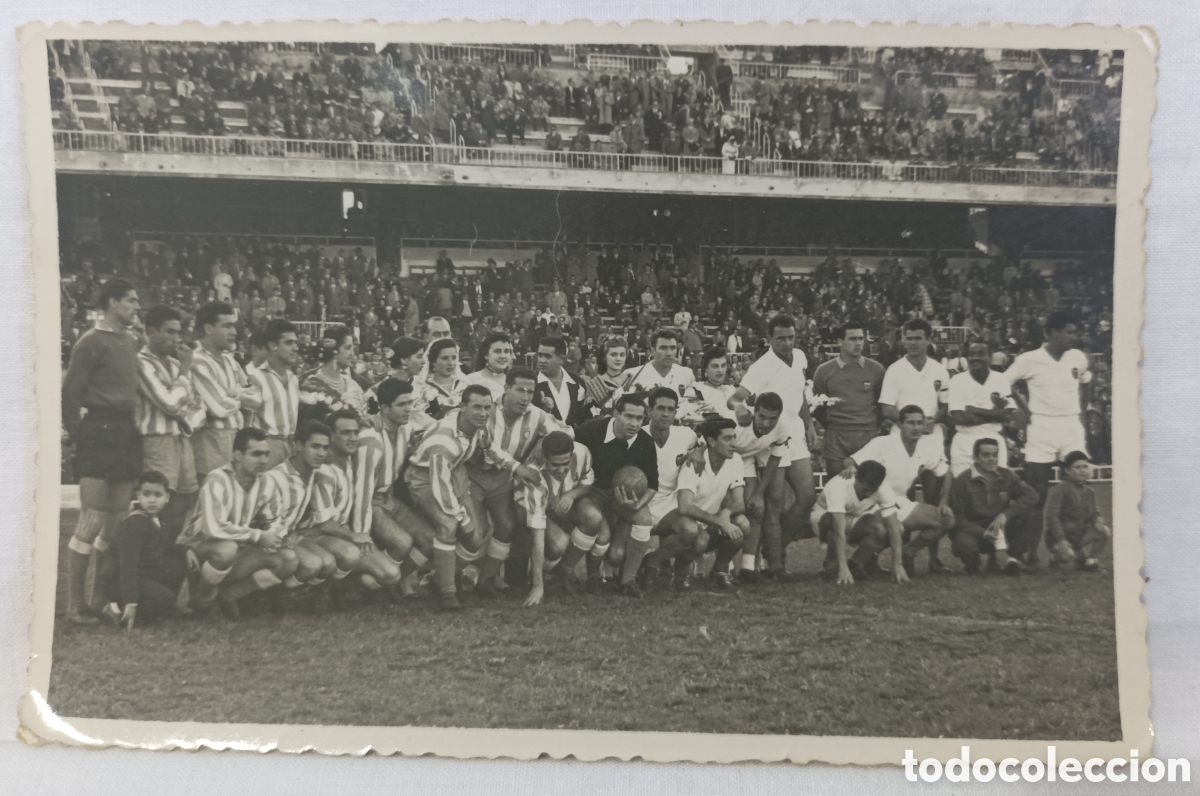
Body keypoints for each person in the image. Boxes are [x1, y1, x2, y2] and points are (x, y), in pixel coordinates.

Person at [61, 277, 142, 624]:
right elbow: (70, 393)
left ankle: (99, 599)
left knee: (115, 523)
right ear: (112, 303)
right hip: (98, 430)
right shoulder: (90, 342)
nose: (137, 306)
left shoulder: (130, 340)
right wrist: (79, 435)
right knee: (91, 519)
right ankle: (75, 605)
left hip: (126, 431)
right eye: (131, 300)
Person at [728, 314, 818, 577]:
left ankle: (772, 549)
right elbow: (734, 398)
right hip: (771, 436)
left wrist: (809, 423)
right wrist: (740, 408)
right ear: (769, 339)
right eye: (781, 338)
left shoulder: (799, 357)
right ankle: (774, 563)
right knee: (775, 502)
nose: (788, 343)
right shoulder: (762, 366)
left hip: (796, 434)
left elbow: (799, 394)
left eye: (791, 337)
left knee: (807, 497)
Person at [176, 427, 299, 615]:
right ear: (238, 456)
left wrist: (274, 537)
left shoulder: (266, 482)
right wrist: (258, 536)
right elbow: (214, 528)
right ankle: (202, 599)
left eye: (266, 454)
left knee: (288, 559)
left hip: (240, 544)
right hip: (201, 547)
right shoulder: (217, 479)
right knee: (226, 550)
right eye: (256, 454)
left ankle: (231, 595)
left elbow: (276, 519)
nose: (263, 460)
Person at [1004, 310, 1091, 568]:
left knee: (1076, 491)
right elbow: (1004, 382)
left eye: (1075, 332)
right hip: (1041, 426)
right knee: (1036, 494)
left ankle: (1067, 552)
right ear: (1052, 333)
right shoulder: (1028, 359)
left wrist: (1083, 410)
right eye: (1069, 332)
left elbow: (1087, 379)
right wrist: (1024, 408)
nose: (1074, 337)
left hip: (1071, 426)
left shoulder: (1077, 357)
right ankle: (1028, 553)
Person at [464, 367, 558, 597]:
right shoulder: (486, 408)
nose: (525, 397)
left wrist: (541, 449)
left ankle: (486, 579)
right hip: (471, 473)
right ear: (506, 389)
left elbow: (562, 435)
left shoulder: (537, 415)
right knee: (476, 528)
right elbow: (482, 444)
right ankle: (456, 575)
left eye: (530, 392)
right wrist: (518, 467)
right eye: (520, 390)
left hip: (502, 477)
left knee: (506, 525)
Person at [405, 385, 498, 611]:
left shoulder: (479, 428)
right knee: (449, 525)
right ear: (462, 407)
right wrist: (462, 519)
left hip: (455, 473)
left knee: (476, 536)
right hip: (424, 478)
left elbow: (491, 450)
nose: (483, 413)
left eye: (487, 408)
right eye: (477, 407)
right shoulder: (443, 441)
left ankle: (439, 580)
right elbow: (440, 488)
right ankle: (447, 594)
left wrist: (515, 467)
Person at [843, 405, 956, 577]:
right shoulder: (883, 443)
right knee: (890, 529)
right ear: (900, 424)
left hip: (899, 502)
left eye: (919, 423)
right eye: (911, 423)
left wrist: (943, 501)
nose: (916, 427)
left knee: (946, 520)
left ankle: (908, 553)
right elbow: (849, 461)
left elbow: (947, 473)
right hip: (871, 503)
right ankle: (856, 562)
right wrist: (850, 468)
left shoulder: (926, 447)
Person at [262, 420, 358, 616]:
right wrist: (284, 536)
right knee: (313, 563)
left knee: (328, 562)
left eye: (325, 448)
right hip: (267, 541)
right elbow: (264, 521)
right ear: (298, 445)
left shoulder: (314, 473)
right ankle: (264, 594)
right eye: (315, 447)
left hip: (293, 536)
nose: (321, 453)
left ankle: (292, 593)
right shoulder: (275, 477)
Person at [308, 409, 404, 602]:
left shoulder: (349, 461)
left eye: (355, 432)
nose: (353, 438)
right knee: (350, 553)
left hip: (341, 532)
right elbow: (325, 524)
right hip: (316, 534)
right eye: (345, 433)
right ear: (331, 436)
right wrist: (355, 536)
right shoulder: (324, 470)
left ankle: (339, 587)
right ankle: (317, 591)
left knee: (391, 574)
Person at [355, 378, 436, 597]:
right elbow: (361, 493)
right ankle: (372, 584)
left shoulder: (405, 426)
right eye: (401, 404)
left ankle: (390, 583)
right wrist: (361, 533)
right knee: (402, 543)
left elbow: (435, 426)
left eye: (410, 403)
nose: (408, 409)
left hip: (390, 499)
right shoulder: (370, 441)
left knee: (429, 540)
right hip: (371, 503)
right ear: (384, 408)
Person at [575, 393, 660, 598]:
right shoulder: (590, 431)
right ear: (615, 414)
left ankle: (628, 580)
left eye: (639, 418)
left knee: (643, 520)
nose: (634, 423)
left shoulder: (645, 442)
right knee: (602, 536)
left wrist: (636, 504)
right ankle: (593, 576)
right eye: (629, 416)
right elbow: (567, 449)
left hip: (620, 496)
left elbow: (652, 485)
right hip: (591, 491)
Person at [136, 304, 201, 543]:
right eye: (170, 332)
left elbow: (197, 404)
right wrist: (185, 369)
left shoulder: (175, 365)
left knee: (183, 501)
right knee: (156, 503)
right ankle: (148, 556)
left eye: (178, 332)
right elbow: (170, 403)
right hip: (156, 441)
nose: (177, 339)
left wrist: (185, 419)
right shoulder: (141, 363)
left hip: (181, 439)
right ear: (152, 332)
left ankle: (165, 554)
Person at [94, 471, 187, 629]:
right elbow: (127, 565)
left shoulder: (157, 516)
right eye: (146, 494)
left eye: (158, 495)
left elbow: (162, 546)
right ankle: (114, 609)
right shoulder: (135, 522)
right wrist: (131, 602)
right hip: (117, 580)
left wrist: (186, 550)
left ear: (167, 497)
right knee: (165, 599)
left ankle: (160, 607)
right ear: (138, 495)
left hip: (140, 574)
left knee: (177, 562)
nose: (152, 500)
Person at [516, 431, 601, 603]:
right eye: (555, 465)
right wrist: (537, 587)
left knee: (594, 518)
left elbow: (586, 483)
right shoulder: (534, 474)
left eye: (566, 463)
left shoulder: (582, 452)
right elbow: (538, 536)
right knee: (559, 543)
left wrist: (571, 495)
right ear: (545, 458)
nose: (561, 470)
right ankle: (539, 577)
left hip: (562, 496)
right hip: (528, 503)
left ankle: (561, 573)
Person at [667, 417, 750, 591]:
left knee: (742, 524)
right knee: (700, 540)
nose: (734, 444)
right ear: (711, 441)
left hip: (712, 524)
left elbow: (739, 503)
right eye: (727, 438)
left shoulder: (735, 460)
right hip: (684, 527)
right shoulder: (694, 463)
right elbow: (685, 506)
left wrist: (726, 513)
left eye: (734, 437)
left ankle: (720, 571)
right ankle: (679, 572)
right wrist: (720, 522)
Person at [191, 301, 262, 482]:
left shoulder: (231, 361)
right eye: (227, 326)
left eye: (234, 326)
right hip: (210, 443)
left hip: (236, 440)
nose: (234, 332)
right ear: (208, 328)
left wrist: (231, 392)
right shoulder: (196, 361)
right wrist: (240, 396)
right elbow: (219, 407)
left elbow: (257, 399)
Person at [809, 460, 909, 586]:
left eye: (873, 490)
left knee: (896, 528)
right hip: (823, 519)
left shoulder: (883, 488)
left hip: (854, 517)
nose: (868, 494)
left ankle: (855, 564)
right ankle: (831, 565)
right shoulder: (839, 485)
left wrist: (897, 564)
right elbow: (839, 529)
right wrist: (842, 567)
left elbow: (894, 527)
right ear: (856, 477)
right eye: (865, 489)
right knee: (839, 523)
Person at [947, 438, 1039, 575]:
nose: (992, 459)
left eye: (995, 455)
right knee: (963, 543)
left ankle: (1012, 559)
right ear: (975, 457)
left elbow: (1032, 496)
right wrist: (982, 533)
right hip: (975, 531)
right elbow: (957, 518)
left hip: (1001, 528)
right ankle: (972, 564)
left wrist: (1005, 515)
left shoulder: (1006, 475)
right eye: (986, 455)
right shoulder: (962, 480)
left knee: (1027, 513)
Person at [637, 388, 699, 591]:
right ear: (649, 411)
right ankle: (626, 571)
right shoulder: (637, 434)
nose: (665, 414)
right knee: (618, 556)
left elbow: (701, 444)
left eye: (670, 409)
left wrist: (699, 451)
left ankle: (652, 562)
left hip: (668, 505)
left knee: (690, 530)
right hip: (640, 503)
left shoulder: (686, 435)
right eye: (660, 408)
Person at [727, 392, 791, 586]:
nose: (766, 423)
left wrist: (758, 494)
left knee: (756, 508)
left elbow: (775, 459)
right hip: (721, 460)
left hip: (745, 461)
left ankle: (747, 569)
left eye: (772, 418)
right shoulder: (736, 422)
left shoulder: (783, 426)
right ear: (754, 412)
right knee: (724, 509)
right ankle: (723, 568)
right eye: (762, 416)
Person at [811, 323, 886, 477]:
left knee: (867, 485)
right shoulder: (823, 371)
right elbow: (818, 407)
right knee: (837, 484)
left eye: (861, 339)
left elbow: (881, 405)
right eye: (852, 339)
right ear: (840, 341)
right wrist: (834, 425)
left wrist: (871, 426)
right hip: (836, 438)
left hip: (867, 436)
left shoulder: (877, 370)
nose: (858, 343)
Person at [947, 340, 1016, 476]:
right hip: (965, 440)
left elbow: (1008, 415)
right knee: (964, 483)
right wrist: (995, 413)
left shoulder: (1000, 379)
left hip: (993, 440)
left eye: (981, 354)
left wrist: (975, 410)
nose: (975, 358)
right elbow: (959, 418)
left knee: (996, 483)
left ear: (990, 356)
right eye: (971, 354)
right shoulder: (957, 380)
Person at [1043, 450, 1111, 573]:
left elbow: (1095, 512)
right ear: (1067, 471)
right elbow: (1052, 516)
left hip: (1079, 536)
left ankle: (1091, 562)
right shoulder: (1060, 489)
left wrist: (1097, 520)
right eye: (1077, 467)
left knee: (1104, 531)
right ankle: (1054, 558)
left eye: (1085, 466)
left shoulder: (1089, 491)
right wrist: (1061, 539)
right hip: (1060, 537)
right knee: (1067, 556)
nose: (1082, 470)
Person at [248, 318, 301, 470]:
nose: (296, 348)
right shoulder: (256, 377)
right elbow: (247, 422)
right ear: (273, 345)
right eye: (289, 343)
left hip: (291, 447)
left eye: (295, 342)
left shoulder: (293, 379)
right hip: (266, 448)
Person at [878, 318, 949, 432]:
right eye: (909, 338)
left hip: (931, 433)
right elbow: (887, 408)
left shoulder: (940, 370)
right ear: (904, 340)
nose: (913, 343)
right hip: (901, 435)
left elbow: (945, 405)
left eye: (918, 338)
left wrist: (933, 420)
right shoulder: (894, 370)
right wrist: (915, 424)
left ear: (928, 340)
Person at [301, 325, 367, 418]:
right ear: (334, 351)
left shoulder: (352, 384)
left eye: (353, 349)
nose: (353, 354)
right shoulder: (311, 386)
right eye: (348, 348)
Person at [615, 329, 695, 401]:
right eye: (663, 348)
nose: (669, 353)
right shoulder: (632, 375)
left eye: (673, 348)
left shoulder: (687, 373)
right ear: (653, 351)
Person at [534, 336, 587, 428]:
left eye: (547, 356)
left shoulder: (576, 381)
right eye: (540, 355)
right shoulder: (532, 382)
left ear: (561, 359)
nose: (541, 360)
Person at [415, 338, 468, 420]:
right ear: (433, 361)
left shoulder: (464, 386)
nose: (451, 363)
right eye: (445, 358)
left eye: (454, 358)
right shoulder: (424, 390)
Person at [581, 336, 629, 420]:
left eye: (622, 355)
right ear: (605, 357)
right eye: (613, 355)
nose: (618, 359)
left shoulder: (631, 381)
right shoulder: (594, 384)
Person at [686, 346, 737, 421]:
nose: (720, 370)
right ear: (706, 368)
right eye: (715, 366)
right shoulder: (696, 390)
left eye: (723, 365)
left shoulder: (733, 391)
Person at [464, 330, 514, 403]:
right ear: (486, 355)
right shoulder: (471, 380)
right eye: (497, 351)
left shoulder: (513, 382)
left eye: (506, 351)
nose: (503, 356)